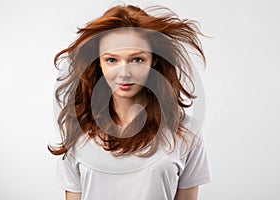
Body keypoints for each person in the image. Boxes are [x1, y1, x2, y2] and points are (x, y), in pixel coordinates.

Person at [49, 4, 212, 200]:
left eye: (137, 60)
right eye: (111, 60)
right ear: (98, 63)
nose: (124, 73)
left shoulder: (187, 132)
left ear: (154, 60)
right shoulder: (78, 130)